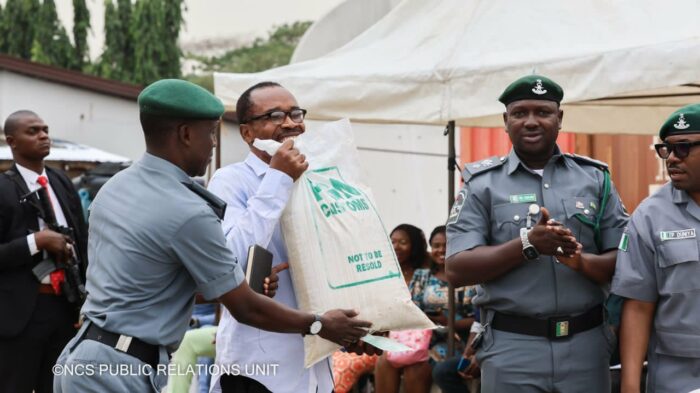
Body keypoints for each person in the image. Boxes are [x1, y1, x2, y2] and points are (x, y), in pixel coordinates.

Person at [53, 79, 373, 393]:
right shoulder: (191, 205)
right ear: (186, 134)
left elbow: (153, 281)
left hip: (97, 358)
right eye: (211, 133)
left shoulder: (115, 188)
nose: (215, 144)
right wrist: (318, 324)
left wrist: (247, 280)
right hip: (128, 367)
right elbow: (244, 304)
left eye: (296, 114)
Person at [445, 74, 629, 393]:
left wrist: (580, 262)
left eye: (543, 112)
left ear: (559, 118)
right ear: (506, 121)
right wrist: (528, 244)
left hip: (585, 347)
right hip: (512, 349)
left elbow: (627, 258)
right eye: (520, 113)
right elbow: (456, 268)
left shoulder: (595, 179)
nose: (531, 122)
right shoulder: (481, 184)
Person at [208, 81, 379, 393]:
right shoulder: (230, 181)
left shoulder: (320, 181)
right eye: (274, 115)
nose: (289, 123)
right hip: (258, 368)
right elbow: (228, 258)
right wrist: (278, 178)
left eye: (295, 114)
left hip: (316, 367)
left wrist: (357, 324)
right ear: (247, 133)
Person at [612, 103, 700, 393]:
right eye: (666, 150)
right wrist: (630, 385)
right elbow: (638, 306)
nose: (672, 159)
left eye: (684, 148)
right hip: (677, 377)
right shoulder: (649, 217)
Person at [0, 110, 88, 393]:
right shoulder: (2, 188)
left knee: (59, 387)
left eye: (46, 129)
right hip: (20, 314)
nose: (43, 136)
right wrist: (36, 242)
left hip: (65, 307)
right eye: (33, 131)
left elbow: (83, 239)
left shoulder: (61, 182)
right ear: (12, 142)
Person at [374, 224, 442, 393]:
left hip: (424, 337)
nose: (396, 247)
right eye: (393, 242)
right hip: (393, 336)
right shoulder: (383, 271)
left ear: (416, 246)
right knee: (385, 360)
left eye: (403, 242)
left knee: (414, 365)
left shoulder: (426, 273)